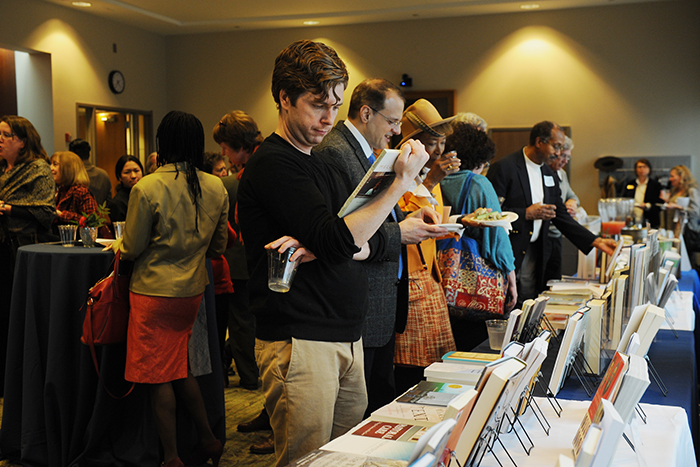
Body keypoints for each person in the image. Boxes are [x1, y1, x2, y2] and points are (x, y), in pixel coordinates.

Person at [237, 40, 429, 466]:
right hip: (300, 338)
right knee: (306, 460)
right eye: (316, 104)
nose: (328, 118)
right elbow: (342, 239)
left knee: (344, 459)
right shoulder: (273, 162)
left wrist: (335, 244)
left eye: (335, 105)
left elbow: (370, 238)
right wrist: (398, 184)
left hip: (345, 334)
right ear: (284, 100)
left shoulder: (319, 162)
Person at [315, 78, 448, 416]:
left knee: (380, 399)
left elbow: (375, 211)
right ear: (365, 113)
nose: (397, 129)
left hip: (379, 296)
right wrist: (400, 233)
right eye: (392, 121)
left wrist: (410, 216)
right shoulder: (335, 152)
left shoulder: (363, 150)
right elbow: (347, 233)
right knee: (366, 409)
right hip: (361, 296)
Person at [113, 111, 229, 467]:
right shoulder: (215, 186)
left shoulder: (146, 186)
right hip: (191, 293)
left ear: (162, 143)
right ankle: (208, 439)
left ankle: (171, 457)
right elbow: (218, 248)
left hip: (152, 293)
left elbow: (131, 247)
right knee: (181, 368)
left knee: (157, 376)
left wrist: (115, 247)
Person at [486, 121, 617, 302]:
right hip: (509, 250)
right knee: (511, 301)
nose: (558, 153)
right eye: (555, 146)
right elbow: (490, 213)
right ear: (539, 142)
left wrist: (594, 240)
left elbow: (560, 215)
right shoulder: (505, 168)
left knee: (530, 298)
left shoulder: (549, 173)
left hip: (537, 249)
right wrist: (526, 214)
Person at [212, 110, 270, 453]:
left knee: (262, 339)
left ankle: (277, 423)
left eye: (225, 148)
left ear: (238, 145)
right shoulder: (249, 169)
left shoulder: (262, 167)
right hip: (257, 263)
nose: (223, 156)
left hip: (267, 266)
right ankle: (268, 411)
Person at [393, 99, 459, 395]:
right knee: (414, 369)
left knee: (438, 366)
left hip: (430, 275)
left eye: (442, 143)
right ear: (411, 142)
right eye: (432, 143)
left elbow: (432, 217)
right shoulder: (397, 167)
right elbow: (399, 215)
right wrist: (431, 181)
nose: (439, 152)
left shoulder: (429, 172)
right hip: (409, 279)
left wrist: (454, 224)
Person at [440, 120, 517, 350]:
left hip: (444, 276)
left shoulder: (436, 180)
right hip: (476, 284)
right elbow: (496, 236)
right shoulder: (479, 183)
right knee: (475, 346)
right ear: (481, 161)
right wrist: (510, 274)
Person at [0, 115, 56, 397]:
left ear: (21, 141)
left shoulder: (38, 170)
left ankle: (21, 384)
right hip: (1, 249)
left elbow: (46, 213)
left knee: (16, 316)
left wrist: (8, 209)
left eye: (5, 135)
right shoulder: (1, 170)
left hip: (22, 250)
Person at [201, 152, 237, 386]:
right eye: (219, 171)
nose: (224, 174)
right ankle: (218, 379)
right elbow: (229, 238)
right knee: (215, 333)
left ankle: (215, 378)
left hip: (213, 277)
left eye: (225, 170)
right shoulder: (214, 199)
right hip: (214, 276)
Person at [543, 136, 581, 284]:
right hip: (542, 235)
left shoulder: (562, 174)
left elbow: (573, 196)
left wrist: (571, 203)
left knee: (554, 279)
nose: (565, 161)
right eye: (563, 156)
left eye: (568, 157)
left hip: (557, 234)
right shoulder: (542, 172)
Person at [50, 151, 105, 235]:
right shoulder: (60, 191)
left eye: (55, 164)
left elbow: (92, 222)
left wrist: (61, 215)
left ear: (68, 169)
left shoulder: (81, 192)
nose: (51, 168)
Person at [661, 165, 700, 257]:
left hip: (686, 230)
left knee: (686, 258)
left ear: (681, 176)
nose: (670, 179)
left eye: (672, 176)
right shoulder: (674, 191)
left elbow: (695, 211)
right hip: (674, 229)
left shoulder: (691, 191)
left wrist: (678, 207)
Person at [620, 158, 663, 228]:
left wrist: (647, 205)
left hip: (650, 219)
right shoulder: (630, 184)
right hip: (632, 218)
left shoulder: (655, 185)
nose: (642, 169)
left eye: (644, 167)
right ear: (636, 169)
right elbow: (624, 199)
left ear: (649, 169)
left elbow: (659, 203)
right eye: (639, 167)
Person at [68, 138, 112, 204]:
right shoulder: (103, 175)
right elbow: (109, 203)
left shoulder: (68, 176)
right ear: (89, 154)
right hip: (99, 213)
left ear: (71, 156)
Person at [106, 155, 143, 224]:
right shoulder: (118, 203)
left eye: (136, 171)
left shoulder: (147, 194)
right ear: (119, 177)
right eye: (127, 172)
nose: (133, 176)